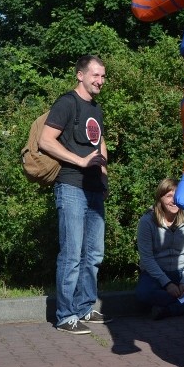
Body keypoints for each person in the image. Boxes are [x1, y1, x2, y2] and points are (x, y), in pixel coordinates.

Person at [39, 55, 111, 335]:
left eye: (103, 76)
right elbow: (46, 140)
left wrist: (104, 178)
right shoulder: (67, 103)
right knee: (71, 254)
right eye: (95, 75)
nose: (100, 81)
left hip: (94, 189)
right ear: (80, 75)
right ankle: (65, 315)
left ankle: (84, 307)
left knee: (93, 254)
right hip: (70, 186)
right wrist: (80, 162)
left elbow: (100, 143)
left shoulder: (97, 109)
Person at [135, 179, 184, 319]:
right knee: (143, 293)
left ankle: (169, 310)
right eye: (169, 196)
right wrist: (167, 284)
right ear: (160, 198)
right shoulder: (147, 221)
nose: (174, 201)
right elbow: (147, 258)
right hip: (157, 274)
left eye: (177, 195)